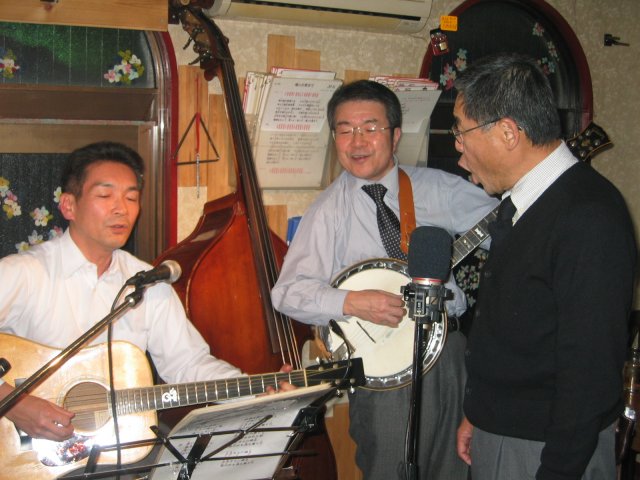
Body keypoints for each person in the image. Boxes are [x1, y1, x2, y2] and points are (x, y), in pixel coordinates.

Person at [271, 80, 498, 479]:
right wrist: (351, 302)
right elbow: (287, 293)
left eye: (370, 127)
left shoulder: (437, 188)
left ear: (394, 136)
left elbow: (507, 229)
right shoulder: (327, 210)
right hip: (383, 373)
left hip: (448, 355)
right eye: (345, 130)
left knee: (456, 469)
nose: (357, 141)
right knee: (390, 470)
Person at [0, 141, 293, 444]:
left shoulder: (147, 281)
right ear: (69, 205)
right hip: (26, 452)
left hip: (118, 450)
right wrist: (13, 403)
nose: (121, 209)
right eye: (105, 195)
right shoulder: (24, 273)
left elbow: (188, 364)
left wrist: (258, 392)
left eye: (131, 198)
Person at [453, 53, 637, 480]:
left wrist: (558, 469)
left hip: (547, 448)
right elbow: (517, 330)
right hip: (503, 430)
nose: (458, 151)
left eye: (461, 133)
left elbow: (590, 370)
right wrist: (480, 413)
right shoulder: (523, 203)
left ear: (507, 132)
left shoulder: (588, 216)